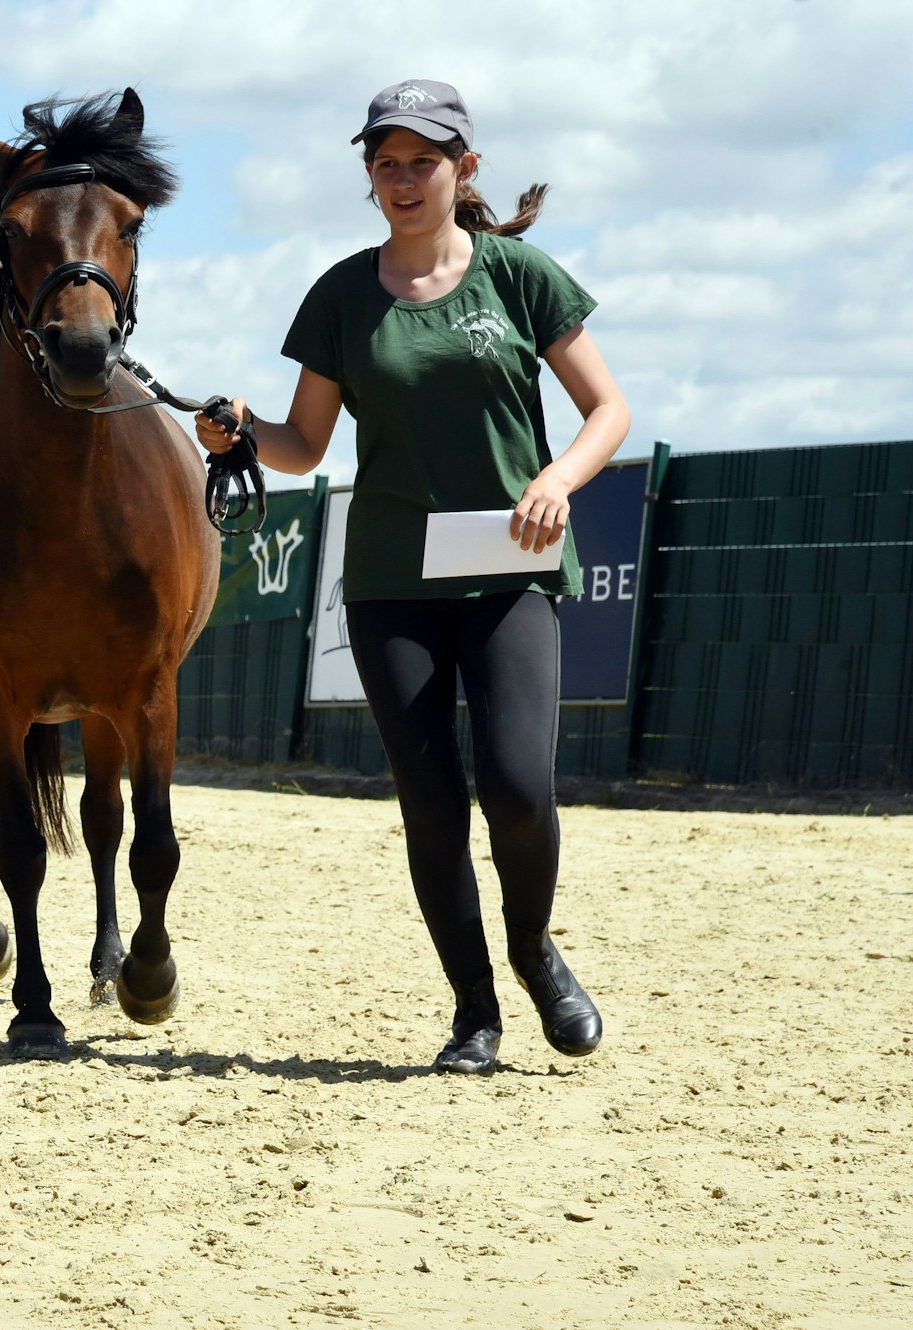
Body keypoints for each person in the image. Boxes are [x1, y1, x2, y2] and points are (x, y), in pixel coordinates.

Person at [197, 79, 629, 1074]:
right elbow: (301, 443)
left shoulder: (521, 276)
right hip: (391, 582)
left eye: (420, 161)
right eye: (383, 162)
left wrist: (558, 479)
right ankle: (472, 1012)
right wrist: (237, 430)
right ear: (367, 175)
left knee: (518, 787)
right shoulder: (340, 295)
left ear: (461, 170)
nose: (400, 179)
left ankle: (531, 951)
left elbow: (605, 408)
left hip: (512, 570)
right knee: (430, 802)